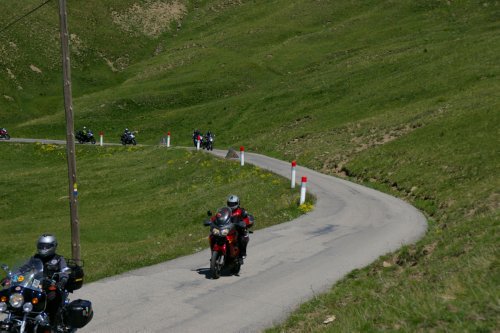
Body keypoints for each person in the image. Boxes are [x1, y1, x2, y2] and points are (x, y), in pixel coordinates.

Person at [33, 234, 69, 326]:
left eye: (46, 246)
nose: (43, 248)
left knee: (53, 299)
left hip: (52, 288)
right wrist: (12, 276)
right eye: (41, 246)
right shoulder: (35, 258)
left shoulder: (59, 259)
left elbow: (64, 271)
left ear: (54, 246)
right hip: (36, 286)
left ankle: (55, 325)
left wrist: (62, 280)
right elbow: (24, 269)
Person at [226, 194, 254, 263]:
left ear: (237, 203)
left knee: (242, 238)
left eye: (233, 204)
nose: (231, 205)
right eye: (230, 203)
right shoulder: (226, 211)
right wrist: (212, 220)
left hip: (238, 229)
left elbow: (247, 218)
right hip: (227, 229)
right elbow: (219, 216)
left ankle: (241, 254)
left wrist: (244, 223)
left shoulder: (241, 211)